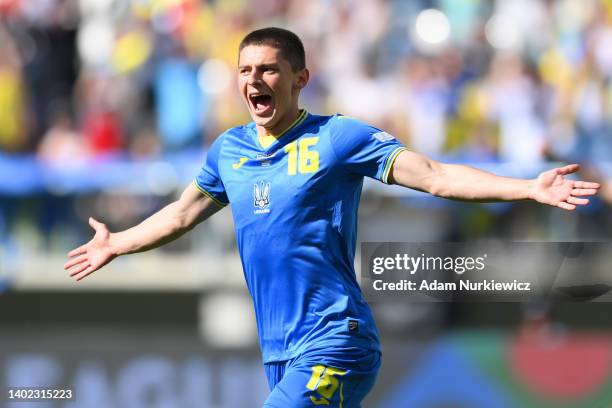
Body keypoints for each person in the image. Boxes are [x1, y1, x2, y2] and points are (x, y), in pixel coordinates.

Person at [64, 27, 600, 407]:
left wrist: (528, 187)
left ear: (300, 78)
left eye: (269, 69)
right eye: (245, 70)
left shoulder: (337, 138)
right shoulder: (228, 151)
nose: (255, 80)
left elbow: (434, 174)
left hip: (335, 338)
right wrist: (119, 243)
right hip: (279, 348)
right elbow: (182, 214)